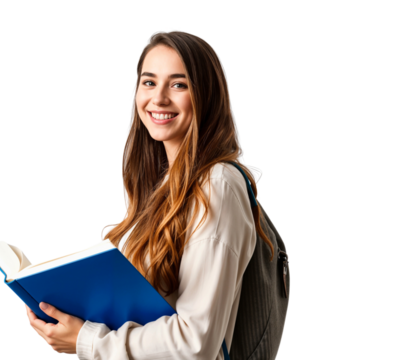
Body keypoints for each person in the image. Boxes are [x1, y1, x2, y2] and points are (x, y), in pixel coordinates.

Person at [27, 27, 275, 359]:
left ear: (208, 96)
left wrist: (88, 341)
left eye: (178, 84)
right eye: (149, 82)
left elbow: (195, 340)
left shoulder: (217, 185)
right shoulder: (161, 188)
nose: (158, 98)